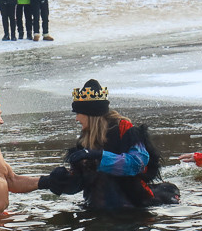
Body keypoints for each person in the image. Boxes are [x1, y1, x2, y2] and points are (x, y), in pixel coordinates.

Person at [40, 79, 179, 209]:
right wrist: (60, 180)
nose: (76, 118)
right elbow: (80, 182)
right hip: (95, 206)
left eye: (78, 113)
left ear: (90, 114)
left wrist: (99, 156)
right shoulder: (85, 140)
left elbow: (138, 163)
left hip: (132, 205)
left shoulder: (125, 129)